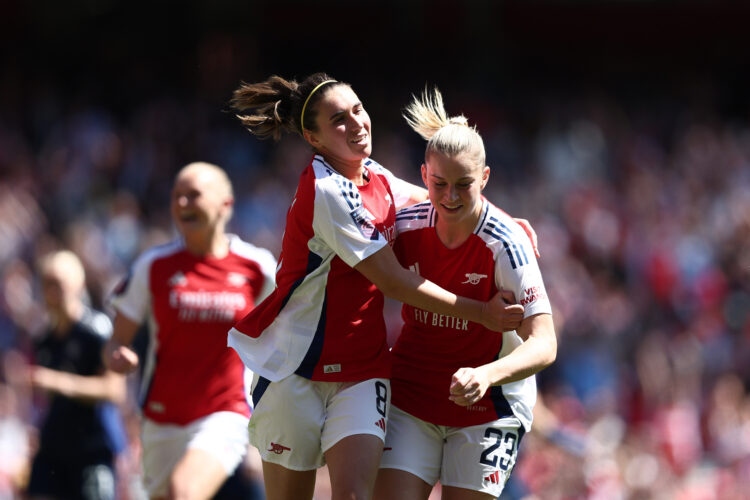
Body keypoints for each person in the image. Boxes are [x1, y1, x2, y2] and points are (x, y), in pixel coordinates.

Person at [226, 73, 529, 500]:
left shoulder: (375, 177)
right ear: (313, 137)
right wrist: (480, 312)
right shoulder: (328, 189)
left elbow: (443, 199)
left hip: (362, 371)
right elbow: (393, 281)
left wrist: (505, 225)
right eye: (338, 120)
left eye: (357, 110)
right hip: (296, 367)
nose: (356, 123)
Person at [373, 88, 557, 500]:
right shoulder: (404, 226)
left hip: (487, 406)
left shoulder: (507, 242)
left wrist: (485, 375)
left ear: (486, 179)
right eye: (439, 184)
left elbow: (545, 344)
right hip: (412, 394)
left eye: (464, 185)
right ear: (424, 176)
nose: (450, 197)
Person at [103, 162, 276, 500]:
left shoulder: (257, 267)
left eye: (193, 195)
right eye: (176, 197)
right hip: (160, 420)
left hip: (225, 413)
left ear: (225, 204)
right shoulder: (153, 266)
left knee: (185, 492)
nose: (182, 204)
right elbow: (116, 340)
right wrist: (117, 356)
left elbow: (292, 331)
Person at [25, 250, 127, 500]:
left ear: (78, 284)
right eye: (47, 284)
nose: (52, 292)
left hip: (92, 449)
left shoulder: (97, 331)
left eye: (58, 284)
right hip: (55, 449)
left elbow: (114, 390)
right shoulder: (43, 339)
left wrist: (60, 382)